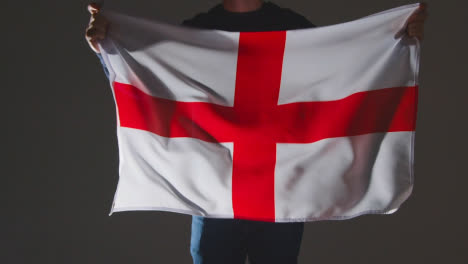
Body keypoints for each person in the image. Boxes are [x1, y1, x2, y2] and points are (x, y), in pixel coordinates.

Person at [85, 1, 428, 263]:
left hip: (281, 186)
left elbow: (340, 76)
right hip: (215, 188)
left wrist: (396, 39)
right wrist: (108, 47)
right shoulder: (197, 32)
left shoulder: (295, 29)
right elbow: (149, 82)